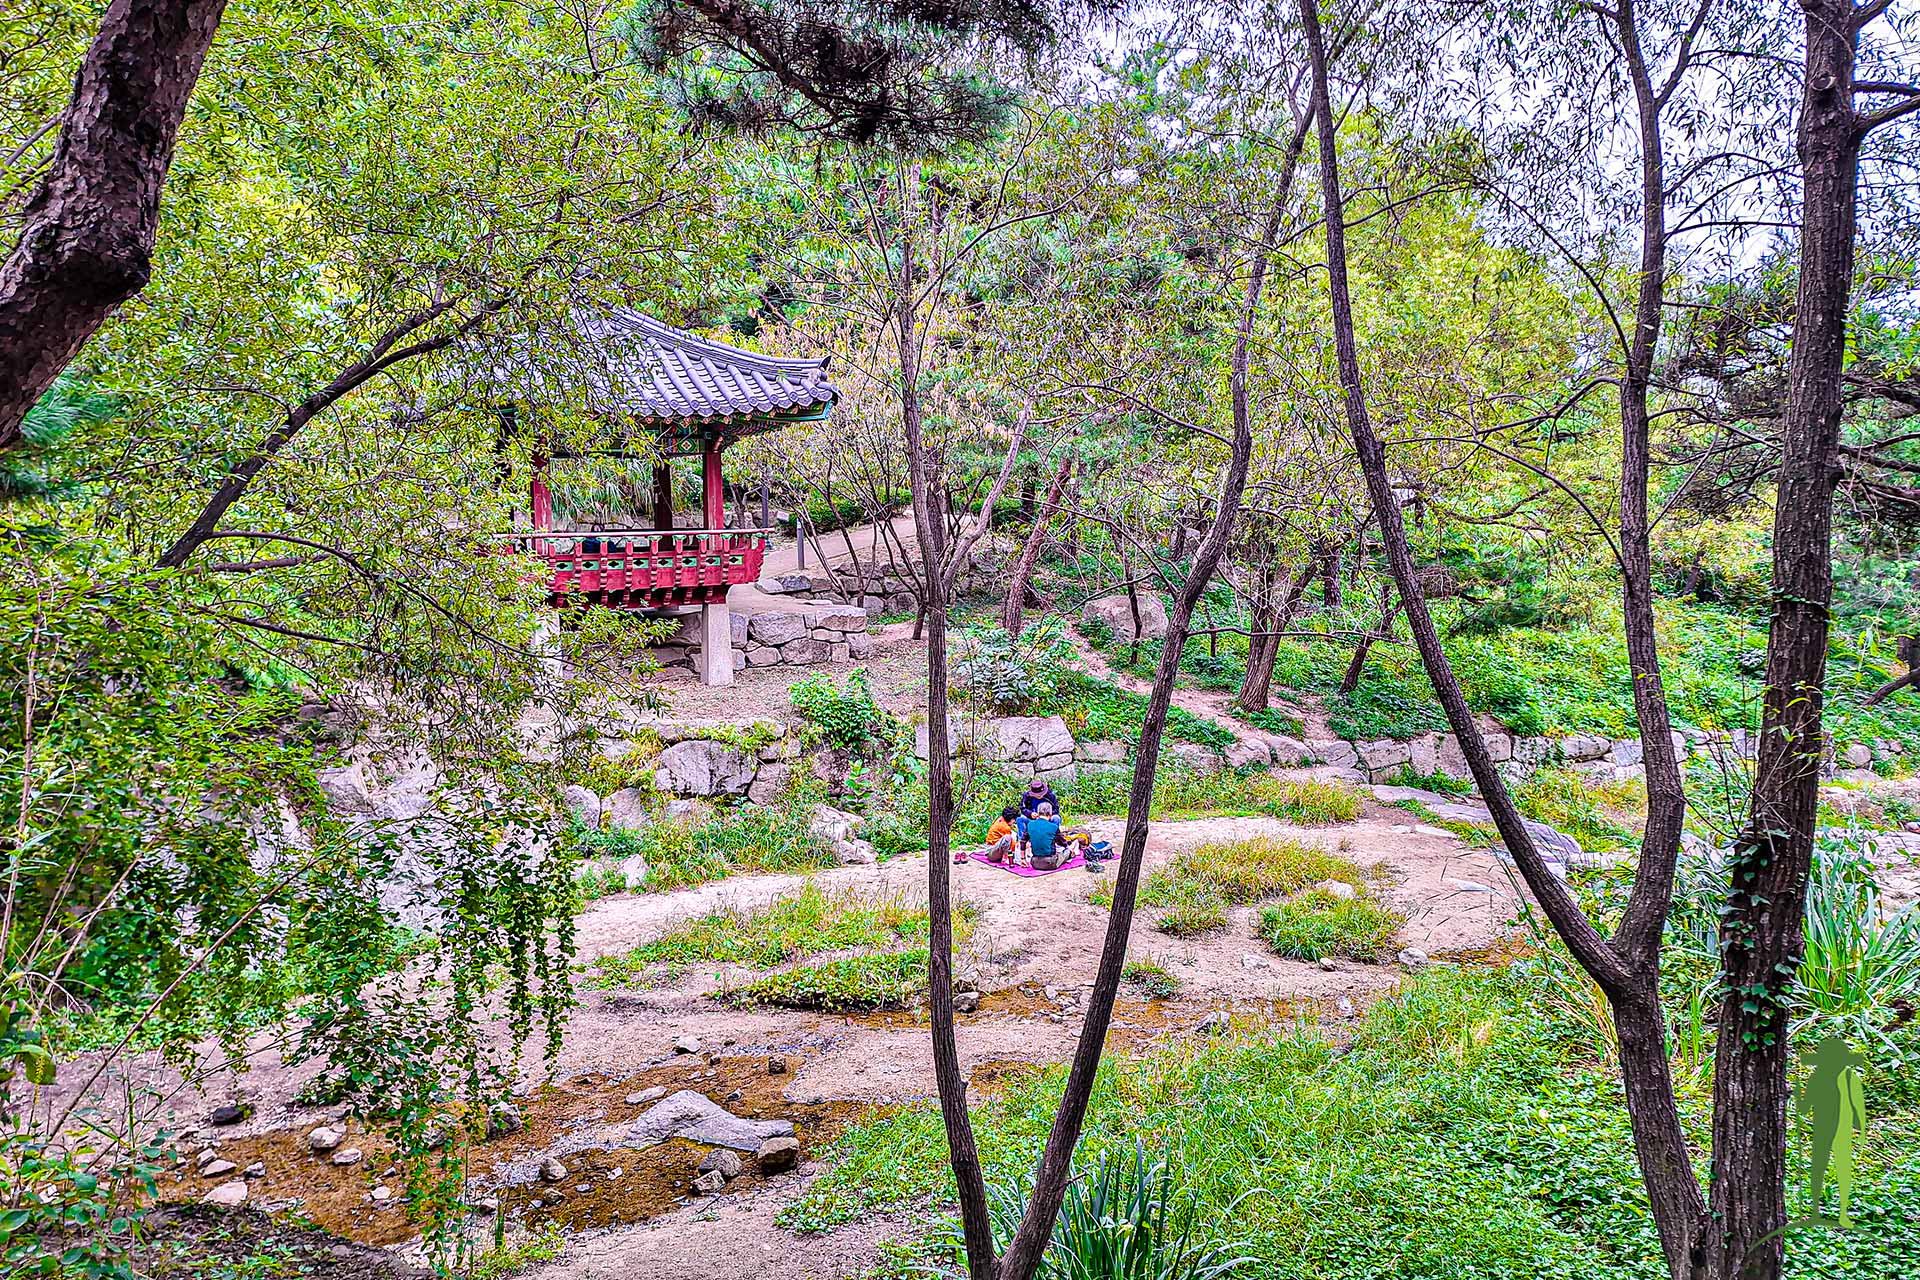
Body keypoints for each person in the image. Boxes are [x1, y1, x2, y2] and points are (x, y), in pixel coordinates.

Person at [1022, 801, 1066, 871]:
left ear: (1038, 813)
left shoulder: (1030, 824)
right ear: (1050, 813)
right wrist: (1068, 847)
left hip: (1034, 863)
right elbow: (1062, 843)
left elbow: (1023, 841)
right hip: (1050, 863)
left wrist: (1023, 859)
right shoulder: (1053, 827)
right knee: (1067, 852)